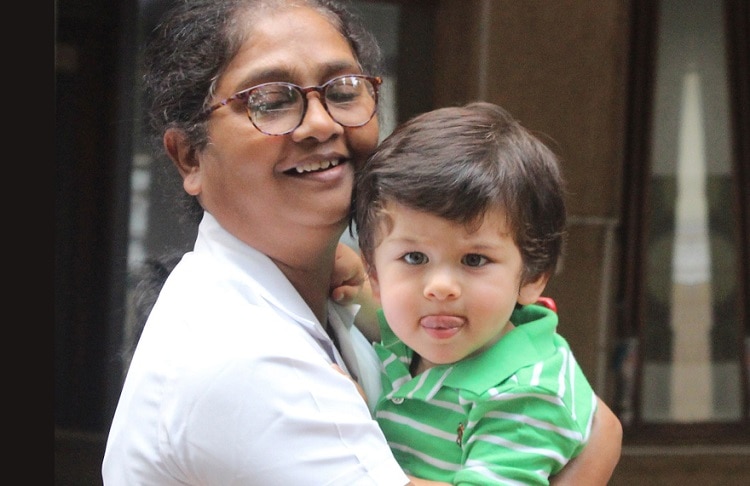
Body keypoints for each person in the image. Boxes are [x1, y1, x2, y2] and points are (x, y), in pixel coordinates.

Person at [103, 1, 621, 484]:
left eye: (344, 90)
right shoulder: (246, 355)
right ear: (189, 157)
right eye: (271, 100)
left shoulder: (341, 297)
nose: (321, 122)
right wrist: (597, 449)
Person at [351, 101, 615, 484]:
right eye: (414, 257)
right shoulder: (418, 328)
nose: (440, 287)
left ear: (533, 275)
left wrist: (354, 446)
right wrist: (340, 274)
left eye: (474, 260)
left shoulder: (526, 394)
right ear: (374, 271)